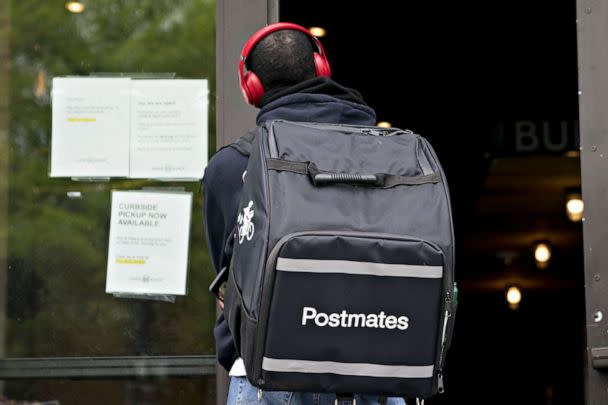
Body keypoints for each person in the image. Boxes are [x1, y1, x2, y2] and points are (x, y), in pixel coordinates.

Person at [203, 22, 406, 405]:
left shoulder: (230, 168)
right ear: (321, 67)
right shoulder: (391, 156)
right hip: (375, 369)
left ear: (252, 89)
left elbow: (227, 278)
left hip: (265, 377)